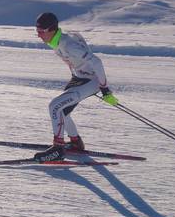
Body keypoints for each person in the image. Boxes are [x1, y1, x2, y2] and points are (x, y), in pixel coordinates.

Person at [33, 12, 119, 162]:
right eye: (37, 31)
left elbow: (97, 62)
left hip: (91, 81)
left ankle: (58, 149)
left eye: (41, 32)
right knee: (62, 112)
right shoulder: (56, 41)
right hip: (79, 78)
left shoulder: (68, 44)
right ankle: (76, 143)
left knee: (55, 106)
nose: (39, 35)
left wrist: (105, 89)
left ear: (52, 30)